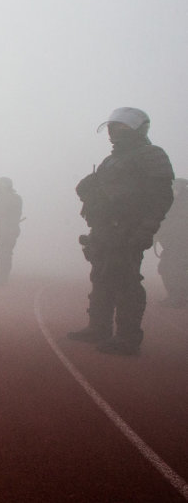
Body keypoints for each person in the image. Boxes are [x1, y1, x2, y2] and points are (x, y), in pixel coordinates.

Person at [69, 107, 173, 355]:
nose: (114, 132)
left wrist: (145, 229)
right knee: (101, 279)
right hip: (104, 228)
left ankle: (127, 338)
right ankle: (99, 327)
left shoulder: (151, 155)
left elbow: (161, 198)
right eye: (113, 127)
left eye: (121, 127)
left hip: (128, 229)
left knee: (126, 283)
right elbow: (93, 190)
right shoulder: (112, 160)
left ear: (138, 128)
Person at [154, 178, 188, 308]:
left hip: (182, 244)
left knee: (176, 269)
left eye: (178, 186)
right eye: (174, 186)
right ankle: (175, 296)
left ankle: (179, 296)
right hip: (171, 244)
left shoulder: (184, 203)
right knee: (166, 268)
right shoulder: (168, 203)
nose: (175, 189)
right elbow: (162, 221)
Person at [0, 176, 22, 285]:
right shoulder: (15, 197)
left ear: (3, 186)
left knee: (3, 255)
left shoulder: (8, 198)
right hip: (10, 230)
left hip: (7, 231)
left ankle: (0, 279)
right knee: (3, 254)